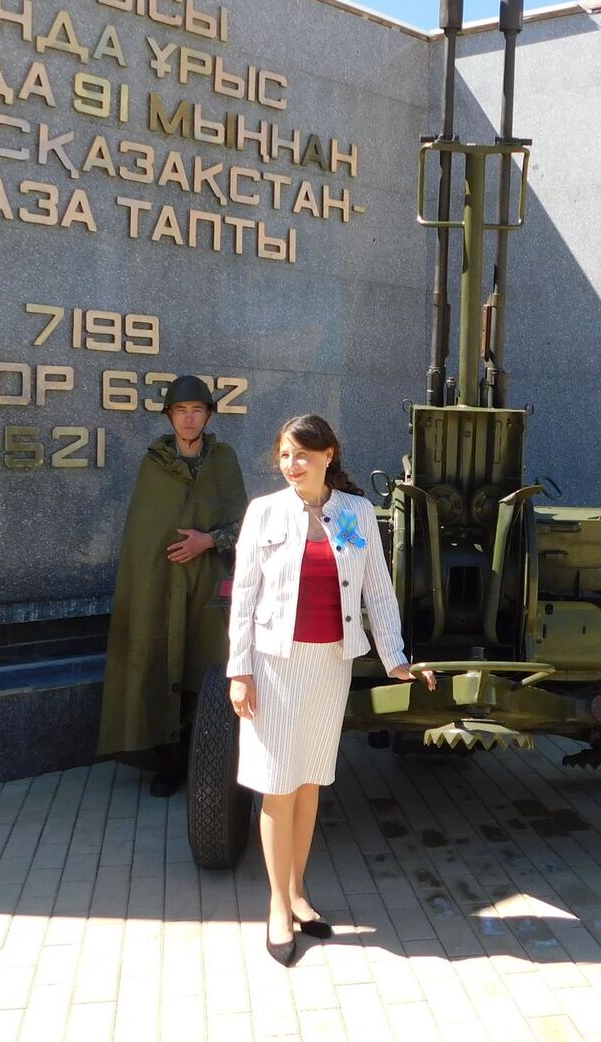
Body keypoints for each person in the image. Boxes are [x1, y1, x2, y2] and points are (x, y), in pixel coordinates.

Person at [225, 414, 435, 966]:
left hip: (328, 665)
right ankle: (275, 904)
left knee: (312, 779)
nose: (292, 465)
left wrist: (395, 658)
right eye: (285, 455)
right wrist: (238, 670)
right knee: (277, 784)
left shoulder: (353, 513)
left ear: (328, 455)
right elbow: (244, 597)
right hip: (273, 664)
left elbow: (377, 590)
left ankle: (298, 893)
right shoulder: (265, 512)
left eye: (303, 455)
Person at [96, 375, 248, 796]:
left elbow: (245, 523)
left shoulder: (223, 460)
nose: (189, 419)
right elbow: (144, 531)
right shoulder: (155, 464)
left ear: (209, 415)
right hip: (159, 583)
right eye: (181, 411)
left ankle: (208, 760)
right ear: (169, 416)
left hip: (207, 583)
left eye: (197, 410)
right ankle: (167, 759)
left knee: (206, 663)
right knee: (160, 659)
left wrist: (209, 541)